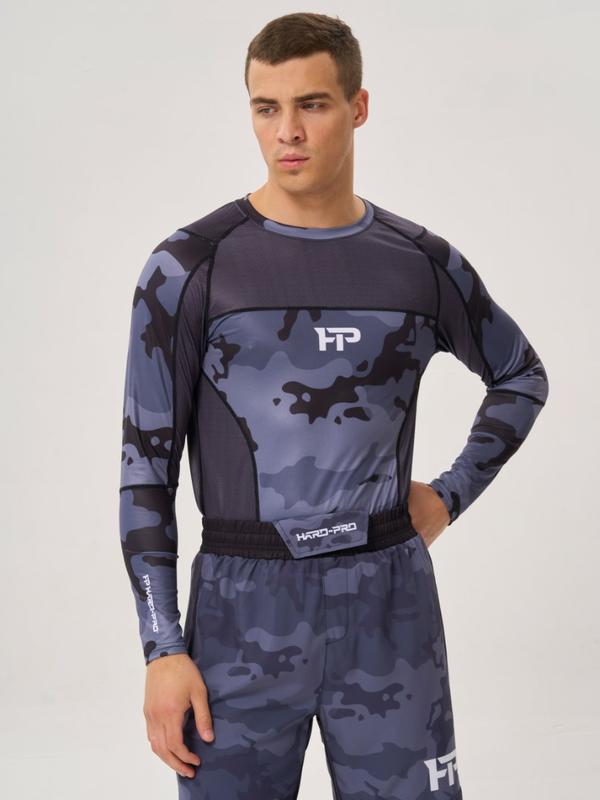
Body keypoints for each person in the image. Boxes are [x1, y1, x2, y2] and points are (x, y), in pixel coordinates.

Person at [119, 12, 549, 800]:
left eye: (311, 104)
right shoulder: (189, 267)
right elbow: (146, 467)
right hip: (240, 611)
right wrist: (162, 649)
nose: (287, 132)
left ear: (358, 106)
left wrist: (448, 496)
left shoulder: (421, 265)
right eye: (266, 107)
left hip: (390, 608)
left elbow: (521, 376)